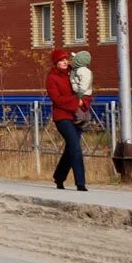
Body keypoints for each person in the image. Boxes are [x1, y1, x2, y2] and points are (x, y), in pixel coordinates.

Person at [47, 49, 88, 191]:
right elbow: (57, 99)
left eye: (65, 59)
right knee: (75, 147)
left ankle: (59, 177)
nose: (64, 62)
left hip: (77, 116)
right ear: (56, 63)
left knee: (71, 148)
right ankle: (81, 183)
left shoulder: (76, 72)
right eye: (60, 60)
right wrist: (76, 101)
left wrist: (84, 102)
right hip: (62, 117)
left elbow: (87, 89)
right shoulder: (52, 78)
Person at [69, 51, 93, 127]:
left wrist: (80, 92)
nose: (72, 61)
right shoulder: (76, 69)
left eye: (74, 60)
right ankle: (86, 119)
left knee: (75, 104)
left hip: (82, 93)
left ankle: (80, 117)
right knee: (84, 107)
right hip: (82, 92)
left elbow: (85, 82)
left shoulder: (82, 70)